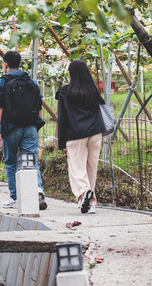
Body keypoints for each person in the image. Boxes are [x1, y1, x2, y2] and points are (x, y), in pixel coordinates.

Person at [0, 50, 47, 210]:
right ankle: (38, 189)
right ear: (20, 64)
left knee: (11, 162)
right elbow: (39, 105)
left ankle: (15, 197)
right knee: (30, 160)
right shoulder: (30, 81)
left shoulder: (1, 82)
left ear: (5, 64)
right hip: (30, 126)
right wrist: (36, 125)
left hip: (11, 127)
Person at [55, 59, 106, 214]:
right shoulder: (93, 91)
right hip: (95, 132)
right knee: (92, 167)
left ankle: (84, 192)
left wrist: (61, 142)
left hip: (76, 134)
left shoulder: (65, 92)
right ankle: (91, 203)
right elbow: (102, 107)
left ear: (71, 74)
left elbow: (62, 119)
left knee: (77, 168)